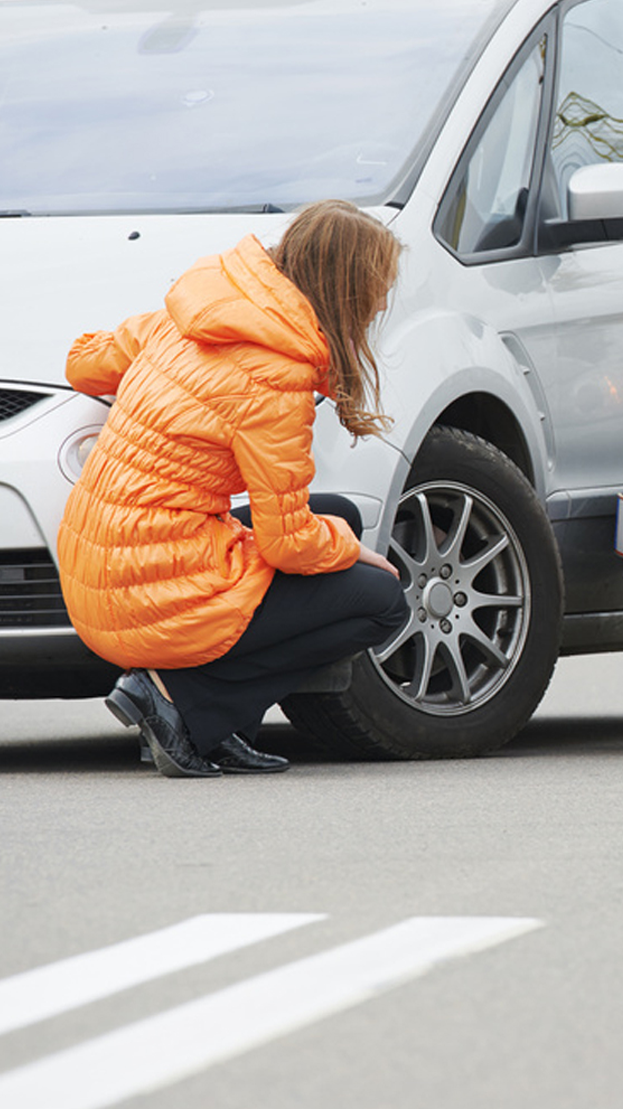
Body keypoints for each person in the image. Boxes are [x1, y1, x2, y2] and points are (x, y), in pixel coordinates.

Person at [57, 199, 410, 778]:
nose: (380, 305)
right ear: (349, 292)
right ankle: (183, 705)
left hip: (97, 562)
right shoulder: (276, 376)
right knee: (379, 600)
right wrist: (352, 548)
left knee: (338, 511)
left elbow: (82, 363)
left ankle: (214, 726)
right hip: (148, 589)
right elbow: (288, 543)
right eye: (378, 291)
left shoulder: (199, 310)